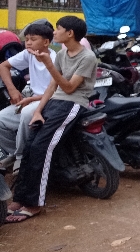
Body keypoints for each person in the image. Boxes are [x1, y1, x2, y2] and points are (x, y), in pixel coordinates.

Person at [5, 16, 97, 223]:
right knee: (29, 147)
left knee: (42, 148)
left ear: (70, 33)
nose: (54, 33)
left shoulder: (87, 57)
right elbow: (53, 86)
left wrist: (48, 64)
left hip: (72, 104)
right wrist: (38, 110)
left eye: (58, 29)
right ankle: (20, 198)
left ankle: (35, 204)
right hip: (54, 102)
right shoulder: (63, 53)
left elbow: (69, 88)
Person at [0, 21, 55, 162]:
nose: (28, 43)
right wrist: (12, 90)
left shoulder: (55, 60)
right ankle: (17, 153)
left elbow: (56, 91)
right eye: (27, 39)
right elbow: (3, 66)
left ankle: (21, 159)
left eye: (33, 39)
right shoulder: (28, 54)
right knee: (1, 118)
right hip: (32, 99)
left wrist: (30, 100)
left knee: (26, 113)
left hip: (49, 101)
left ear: (46, 42)